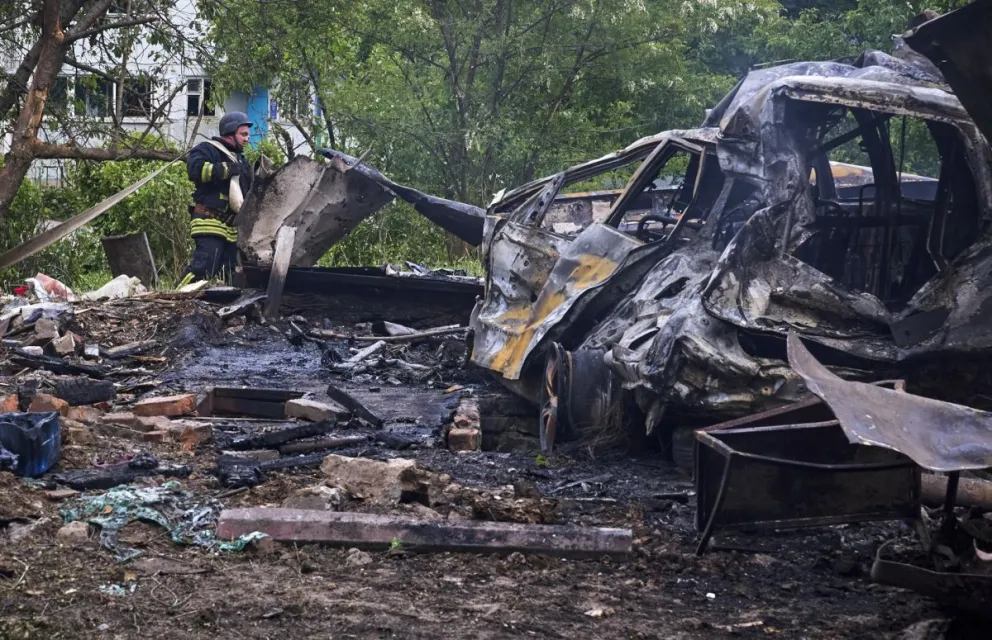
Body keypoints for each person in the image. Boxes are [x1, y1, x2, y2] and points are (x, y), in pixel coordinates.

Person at [180, 111, 253, 285]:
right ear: (229, 132)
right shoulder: (207, 149)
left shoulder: (242, 161)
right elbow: (195, 171)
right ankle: (175, 297)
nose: (247, 139)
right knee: (204, 268)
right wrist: (226, 169)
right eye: (243, 134)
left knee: (229, 275)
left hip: (231, 229)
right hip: (209, 221)